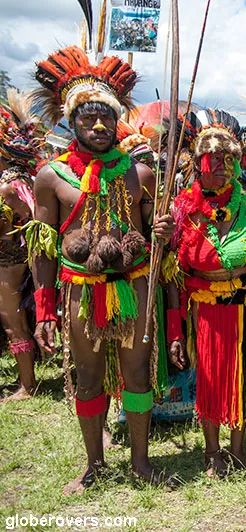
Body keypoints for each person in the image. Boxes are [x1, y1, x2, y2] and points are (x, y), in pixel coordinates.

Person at [28, 46, 175, 494]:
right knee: (88, 377)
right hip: (79, 289)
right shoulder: (51, 177)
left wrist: (164, 231)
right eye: (88, 119)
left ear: (117, 122)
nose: (97, 127)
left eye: (106, 119)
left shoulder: (142, 173)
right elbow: (44, 249)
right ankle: (94, 464)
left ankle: (141, 462)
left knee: (136, 375)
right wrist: (45, 310)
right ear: (70, 123)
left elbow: (154, 236)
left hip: (132, 286)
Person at [166, 109, 246, 478]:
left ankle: (239, 449)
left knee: (242, 375)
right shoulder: (181, 210)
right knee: (209, 378)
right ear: (197, 166)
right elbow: (172, 276)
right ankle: (213, 452)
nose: (221, 169)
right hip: (204, 310)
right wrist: (175, 331)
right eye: (212, 161)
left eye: (229, 160)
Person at [0, 89, 43, 402]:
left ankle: (27, 385)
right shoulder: (21, 180)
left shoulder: (9, 186)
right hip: (16, 263)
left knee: (14, 325)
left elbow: (23, 225)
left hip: (10, 264)